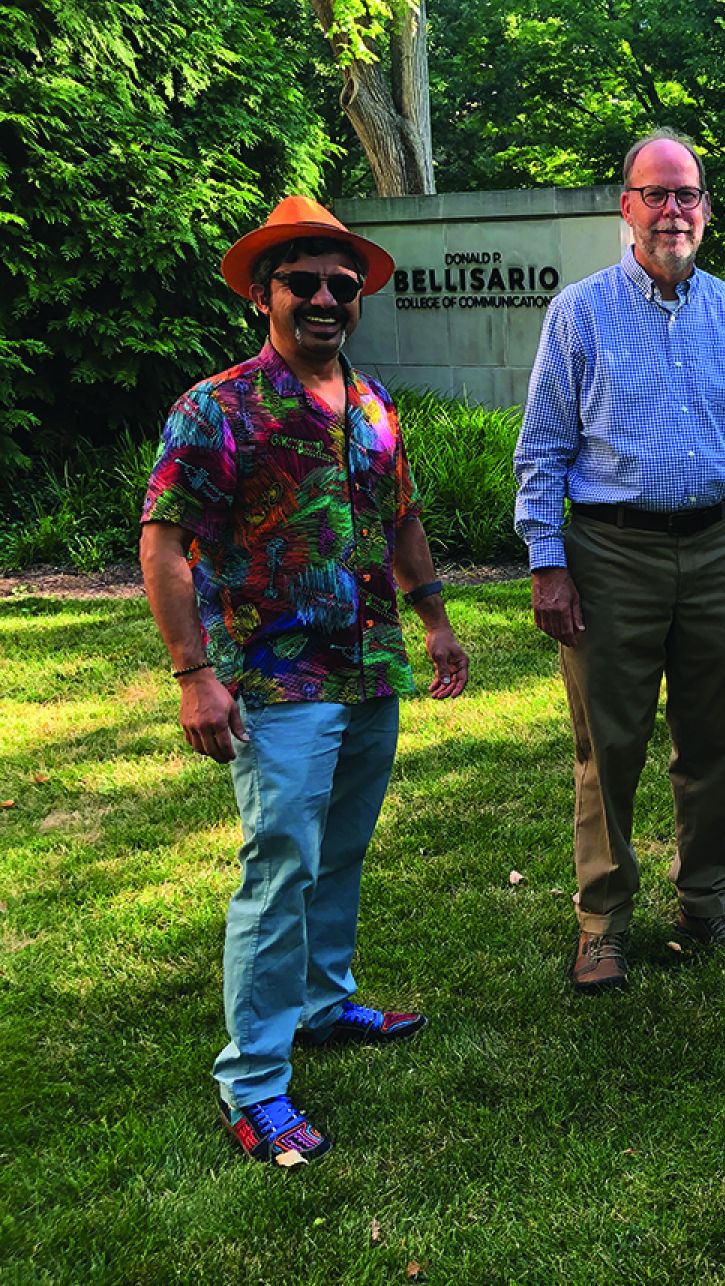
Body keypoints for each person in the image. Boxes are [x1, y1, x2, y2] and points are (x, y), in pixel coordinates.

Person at [140, 196, 470, 1167]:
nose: (327, 296)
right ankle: (254, 1084)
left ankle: (325, 1005)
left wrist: (438, 622)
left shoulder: (369, 406)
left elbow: (401, 520)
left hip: (369, 665)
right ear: (262, 295)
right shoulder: (218, 408)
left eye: (343, 282)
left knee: (341, 850)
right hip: (274, 678)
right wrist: (193, 672)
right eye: (304, 281)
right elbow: (164, 542)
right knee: (277, 866)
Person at [514, 128, 725, 993]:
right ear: (626, 206)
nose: (674, 209)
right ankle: (603, 921)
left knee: (719, 738)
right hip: (610, 555)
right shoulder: (581, 312)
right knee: (611, 745)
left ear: (704, 209)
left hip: (715, 548)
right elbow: (543, 447)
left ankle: (707, 897)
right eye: (656, 193)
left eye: (688, 194)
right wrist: (547, 561)